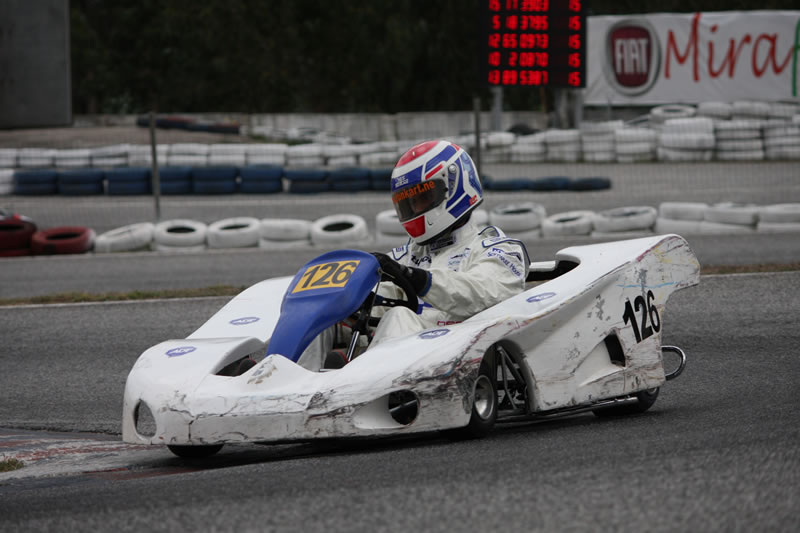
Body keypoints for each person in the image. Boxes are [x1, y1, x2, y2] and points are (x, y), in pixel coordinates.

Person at [365, 139, 530, 350]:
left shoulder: (498, 249)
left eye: (422, 197)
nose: (415, 209)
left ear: (453, 186)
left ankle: (371, 381)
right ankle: (312, 381)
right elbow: (378, 301)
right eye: (410, 202)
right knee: (327, 322)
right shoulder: (404, 258)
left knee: (399, 316)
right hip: (406, 356)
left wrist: (418, 279)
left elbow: (483, 293)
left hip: (461, 350)